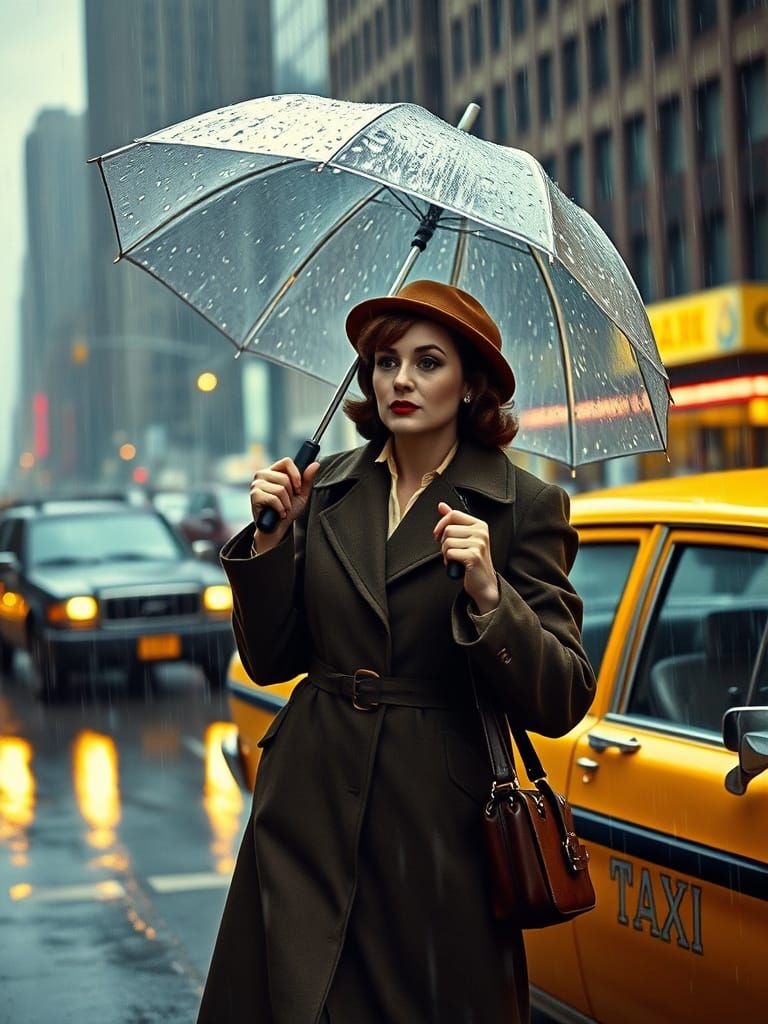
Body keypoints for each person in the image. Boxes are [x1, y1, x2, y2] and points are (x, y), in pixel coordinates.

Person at [197, 279, 596, 1024]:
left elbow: (563, 694)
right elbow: (271, 659)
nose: (401, 380)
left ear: (472, 382)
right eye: (385, 362)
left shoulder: (523, 506)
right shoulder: (325, 489)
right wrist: (271, 542)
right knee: (292, 997)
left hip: (436, 828)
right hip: (307, 807)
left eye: (428, 361)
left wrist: (489, 594)